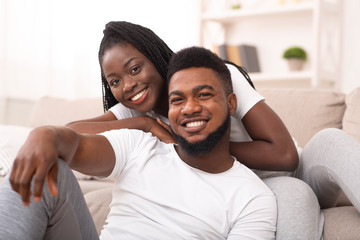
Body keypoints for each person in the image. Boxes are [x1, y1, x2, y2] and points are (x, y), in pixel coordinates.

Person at [65, 21, 325, 239]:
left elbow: (284, 155)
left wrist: (202, 146)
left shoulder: (215, 77)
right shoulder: (137, 110)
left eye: (135, 69)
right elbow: (70, 131)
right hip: (236, 183)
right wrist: (145, 124)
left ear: (155, 57)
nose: (129, 85)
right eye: (115, 82)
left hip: (282, 172)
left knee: (318, 159)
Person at [0, 46, 278, 239]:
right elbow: (74, 144)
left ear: (231, 104)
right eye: (177, 99)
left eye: (203, 95)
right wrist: (46, 134)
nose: (189, 108)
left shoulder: (254, 199)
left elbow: (285, 154)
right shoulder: (138, 145)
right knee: (50, 168)